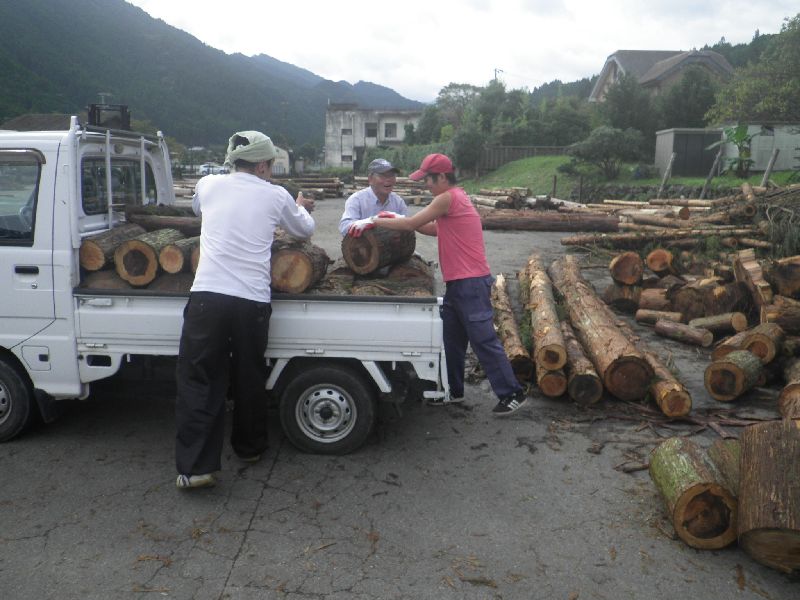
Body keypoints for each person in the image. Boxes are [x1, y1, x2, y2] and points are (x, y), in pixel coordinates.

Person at [174, 130, 315, 489]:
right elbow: (304, 230)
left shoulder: (208, 184)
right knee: (249, 374)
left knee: (200, 378)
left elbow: (197, 208)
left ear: (233, 161)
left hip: (207, 297)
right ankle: (250, 448)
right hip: (252, 300)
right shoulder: (276, 195)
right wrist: (300, 206)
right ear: (265, 165)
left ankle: (197, 467)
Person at [350, 153, 527, 416]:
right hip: (458, 284)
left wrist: (374, 220)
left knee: (483, 340)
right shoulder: (454, 199)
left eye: (428, 180)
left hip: (471, 282)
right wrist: (392, 217)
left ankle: (512, 392)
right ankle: (453, 390)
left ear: (443, 177)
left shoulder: (448, 197)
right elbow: (430, 228)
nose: (426, 185)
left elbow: (411, 223)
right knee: (451, 341)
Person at [338, 158, 408, 237]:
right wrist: (367, 223)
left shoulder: (398, 202)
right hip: (365, 247)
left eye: (391, 175)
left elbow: (407, 227)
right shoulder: (357, 200)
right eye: (383, 176)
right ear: (370, 179)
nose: (388, 179)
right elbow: (344, 227)